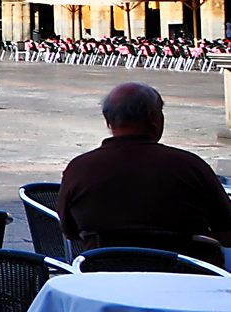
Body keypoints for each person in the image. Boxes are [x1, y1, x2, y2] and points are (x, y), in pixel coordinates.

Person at [58, 82, 231, 250]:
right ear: (153, 118)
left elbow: (69, 230)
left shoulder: (79, 169)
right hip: (187, 274)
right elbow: (227, 229)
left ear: (108, 121)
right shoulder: (191, 167)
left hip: (105, 273)